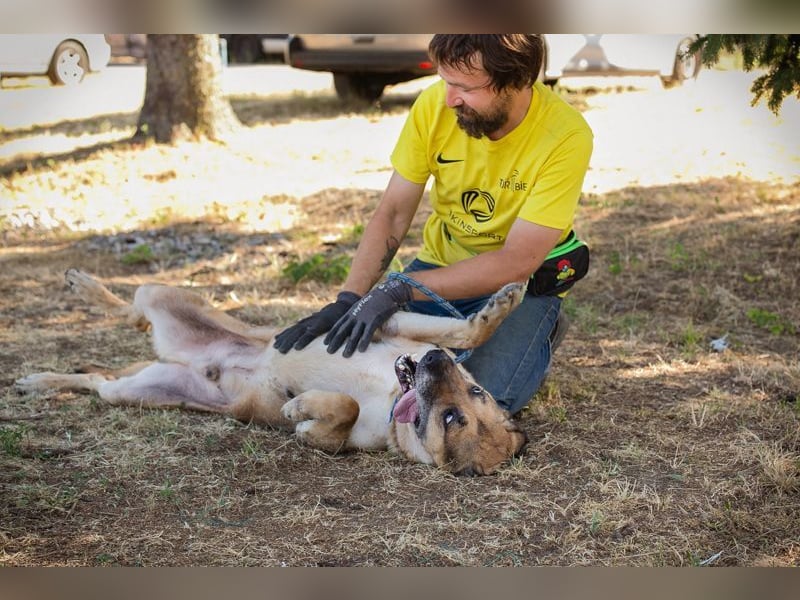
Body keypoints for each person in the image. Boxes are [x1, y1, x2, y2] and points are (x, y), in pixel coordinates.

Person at [275, 34, 593, 415]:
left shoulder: (566, 135)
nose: (449, 99)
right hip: (441, 269)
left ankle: (541, 330)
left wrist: (398, 291)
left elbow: (516, 262)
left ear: (517, 80)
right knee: (372, 372)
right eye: (446, 81)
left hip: (520, 287)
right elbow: (393, 210)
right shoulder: (434, 106)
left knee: (474, 406)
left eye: (464, 87)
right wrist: (349, 299)